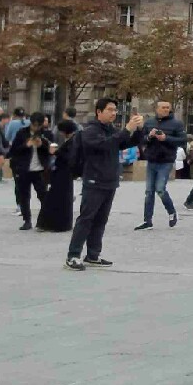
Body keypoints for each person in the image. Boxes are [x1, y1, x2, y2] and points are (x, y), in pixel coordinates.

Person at [66, 99, 145, 271]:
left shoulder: (111, 129)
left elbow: (125, 143)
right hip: (94, 180)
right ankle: (73, 255)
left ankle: (93, 255)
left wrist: (139, 130)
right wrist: (127, 129)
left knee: (101, 219)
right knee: (86, 219)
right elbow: (106, 145)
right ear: (98, 112)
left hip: (110, 180)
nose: (114, 113)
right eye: (110, 110)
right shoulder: (90, 130)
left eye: (115, 110)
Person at [135, 100, 186, 231]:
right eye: (163, 107)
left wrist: (166, 138)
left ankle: (172, 212)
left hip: (166, 160)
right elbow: (141, 139)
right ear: (157, 109)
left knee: (160, 189)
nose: (165, 110)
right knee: (149, 191)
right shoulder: (149, 122)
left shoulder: (177, 124)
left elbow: (182, 140)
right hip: (152, 159)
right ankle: (147, 221)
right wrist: (149, 136)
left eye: (167, 107)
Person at [8, 111, 56, 231]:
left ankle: (44, 220)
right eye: (34, 125)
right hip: (23, 169)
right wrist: (26, 145)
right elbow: (13, 151)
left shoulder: (46, 134)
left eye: (38, 126)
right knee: (24, 196)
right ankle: (27, 220)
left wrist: (41, 145)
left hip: (40, 170)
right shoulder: (22, 133)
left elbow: (52, 151)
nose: (36, 128)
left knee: (43, 195)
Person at [36, 120, 78, 233]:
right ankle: (58, 224)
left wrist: (56, 152)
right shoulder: (72, 140)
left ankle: (55, 224)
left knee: (56, 199)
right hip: (63, 174)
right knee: (60, 199)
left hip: (63, 174)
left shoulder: (73, 142)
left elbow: (68, 157)